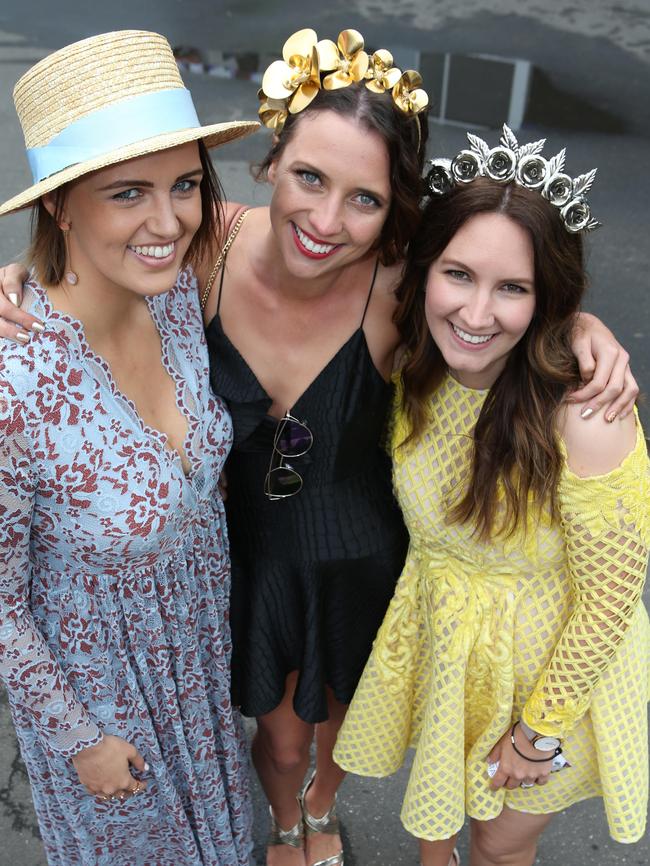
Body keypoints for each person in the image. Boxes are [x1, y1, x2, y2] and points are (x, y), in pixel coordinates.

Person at [0, 27, 639, 866]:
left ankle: (321, 813)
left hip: (359, 549)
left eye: (365, 199)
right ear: (272, 163)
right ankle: (290, 819)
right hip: (247, 554)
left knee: (333, 732)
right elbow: (101, 240)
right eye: (309, 177)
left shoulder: (404, 282)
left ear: (393, 211)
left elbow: (497, 280)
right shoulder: (199, 250)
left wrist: (582, 328)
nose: (326, 221)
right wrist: (18, 275)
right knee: (278, 741)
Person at [333, 127, 650, 866]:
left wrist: (537, 734)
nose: (477, 315)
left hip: (549, 678)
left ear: (548, 298)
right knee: (439, 819)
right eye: (459, 275)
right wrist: (36, 269)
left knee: (499, 843)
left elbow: (611, 600)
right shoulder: (416, 361)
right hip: (449, 650)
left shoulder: (587, 415)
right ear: (424, 269)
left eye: (513, 288)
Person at [0, 30, 258, 866]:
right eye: (127, 194)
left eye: (185, 185)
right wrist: (79, 740)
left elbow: (352, 236)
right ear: (58, 202)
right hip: (109, 707)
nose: (167, 220)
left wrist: (563, 316)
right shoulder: (13, 383)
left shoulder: (180, 287)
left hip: (200, 667)